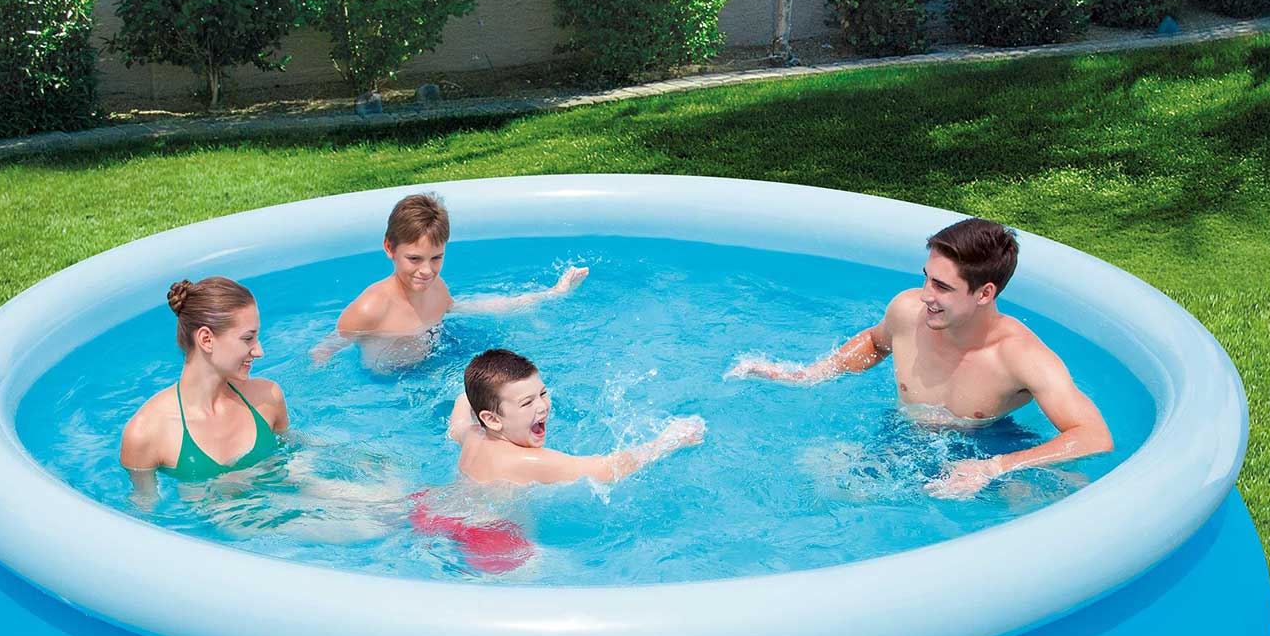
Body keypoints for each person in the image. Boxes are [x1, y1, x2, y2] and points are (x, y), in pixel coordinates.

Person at [728, 217, 1113, 497]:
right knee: (817, 474)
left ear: (984, 293)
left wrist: (994, 468)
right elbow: (875, 342)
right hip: (902, 436)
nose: (926, 294)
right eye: (926, 277)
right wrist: (810, 374)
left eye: (942, 286)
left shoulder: (1021, 357)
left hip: (989, 444)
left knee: (1044, 496)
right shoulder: (908, 312)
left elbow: (1093, 436)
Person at [310, 192, 589, 365]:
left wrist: (552, 293)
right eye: (414, 259)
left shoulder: (437, 289)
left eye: (436, 258)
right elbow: (323, 351)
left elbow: (478, 307)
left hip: (439, 359)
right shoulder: (370, 309)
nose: (427, 271)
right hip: (389, 386)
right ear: (389, 248)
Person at [447, 348, 705, 486]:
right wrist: (667, 441)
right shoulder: (529, 461)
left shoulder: (474, 436)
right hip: (489, 540)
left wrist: (475, 394)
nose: (542, 407)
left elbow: (457, 423)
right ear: (492, 419)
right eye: (527, 402)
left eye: (542, 393)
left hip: (441, 511)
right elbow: (607, 470)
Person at [120, 276, 289, 484]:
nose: (259, 351)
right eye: (248, 338)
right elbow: (143, 503)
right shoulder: (146, 433)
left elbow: (294, 466)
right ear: (206, 339)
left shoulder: (268, 399)